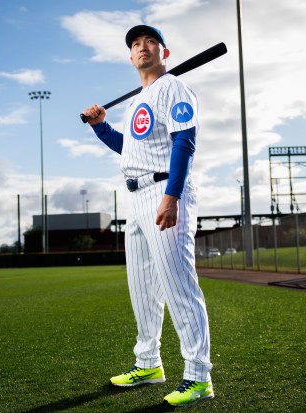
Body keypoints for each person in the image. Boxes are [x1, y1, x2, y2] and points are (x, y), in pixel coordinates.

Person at [82, 24, 213, 407]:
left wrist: (171, 195)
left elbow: (184, 141)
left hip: (164, 191)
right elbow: (129, 150)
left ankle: (198, 376)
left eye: (150, 41)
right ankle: (149, 363)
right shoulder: (140, 99)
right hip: (136, 195)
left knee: (179, 286)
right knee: (142, 289)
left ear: (164, 53)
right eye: (136, 44)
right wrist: (100, 127)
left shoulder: (173, 87)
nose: (143, 47)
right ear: (130, 57)